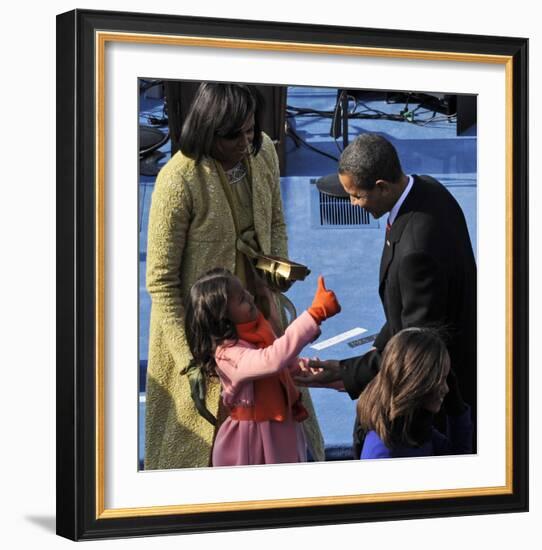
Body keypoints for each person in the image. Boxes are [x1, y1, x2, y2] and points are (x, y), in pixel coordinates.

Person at [144, 82, 325, 470]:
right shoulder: (177, 180)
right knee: (205, 448)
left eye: (250, 129)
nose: (247, 141)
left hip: (258, 313)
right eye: (235, 135)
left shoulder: (262, 154)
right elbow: (160, 280)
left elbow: (275, 220)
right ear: (210, 132)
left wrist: (275, 273)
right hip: (203, 334)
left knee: (277, 416)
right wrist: (189, 360)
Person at [297, 133, 477, 453]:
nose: (352, 203)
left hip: (436, 404)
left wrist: (344, 373)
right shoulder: (428, 191)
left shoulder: (416, 252)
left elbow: (415, 349)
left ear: (381, 186)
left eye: (357, 196)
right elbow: (402, 318)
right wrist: (356, 365)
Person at [184, 269, 341, 466]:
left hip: (282, 430)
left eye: (245, 292)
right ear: (223, 319)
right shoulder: (228, 355)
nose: (250, 297)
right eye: (241, 299)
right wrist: (315, 314)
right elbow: (272, 360)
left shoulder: (258, 332)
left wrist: (334, 375)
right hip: (252, 444)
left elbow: (287, 367)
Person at [358, 328, 472, 459]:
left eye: (447, 379)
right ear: (416, 383)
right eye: (439, 380)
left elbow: (459, 460)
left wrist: (456, 409)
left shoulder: (412, 427)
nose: (446, 389)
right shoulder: (383, 453)